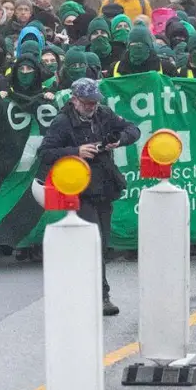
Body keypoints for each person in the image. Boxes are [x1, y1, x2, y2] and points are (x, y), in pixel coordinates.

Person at [35, 79, 139, 316]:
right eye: (87, 102)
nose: (92, 106)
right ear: (74, 100)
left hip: (104, 185)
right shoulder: (62, 122)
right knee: (92, 243)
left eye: (94, 102)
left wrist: (119, 140)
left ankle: (91, 293)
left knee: (101, 244)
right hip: (79, 189)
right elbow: (45, 153)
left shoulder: (104, 114)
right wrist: (76, 152)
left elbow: (133, 129)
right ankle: (99, 296)